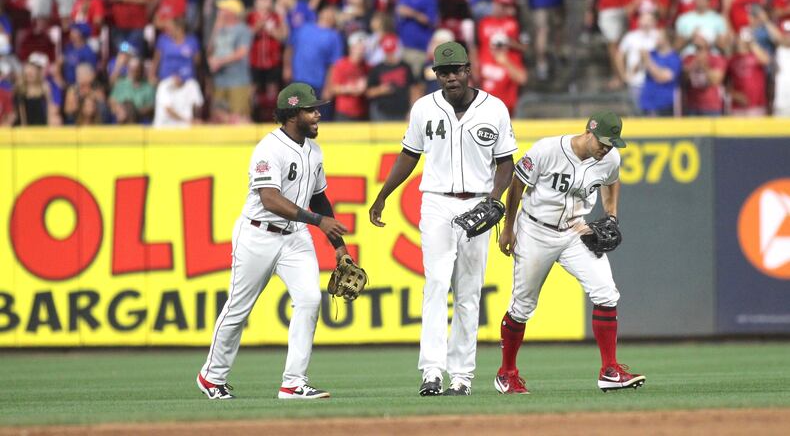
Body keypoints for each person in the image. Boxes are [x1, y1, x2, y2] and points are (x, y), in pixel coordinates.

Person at [369, 42, 516, 396]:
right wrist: (383, 194)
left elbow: (506, 162)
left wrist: (494, 201)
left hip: (478, 203)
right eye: (443, 71)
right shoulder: (423, 108)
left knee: (468, 293)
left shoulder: (494, 108)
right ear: (436, 74)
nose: (450, 77)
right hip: (436, 202)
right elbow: (409, 154)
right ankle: (432, 372)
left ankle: (462, 376)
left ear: (469, 70)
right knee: (436, 284)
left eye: (456, 70)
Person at [198, 82, 349, 400]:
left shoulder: (314, 150)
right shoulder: (269, 149)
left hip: (295, 237)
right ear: (293, 114)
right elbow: (270, 199)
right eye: (311, 109)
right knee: (238, 309)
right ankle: (212, 377)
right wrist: (319, 221)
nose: (317, 114)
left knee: (309, 301)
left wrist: (339, 249)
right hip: (258, 234)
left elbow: (320, 199)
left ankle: (293, 383)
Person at [493, 111, 646, 395]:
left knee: (606, 292)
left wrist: (611, 216)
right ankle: (506, 373)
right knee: (522, 307)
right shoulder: (547, 149)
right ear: (589, 131)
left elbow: (612, 180)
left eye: (612, 144)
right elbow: (517, 183)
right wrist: (508, 228)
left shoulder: (609, 158)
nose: (606, 149)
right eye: (603, 142)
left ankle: (609, 370)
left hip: (576, 230)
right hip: (536, 230)